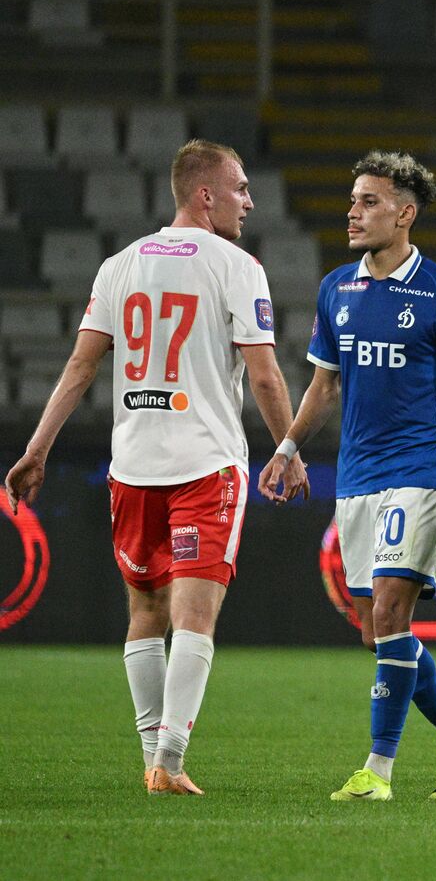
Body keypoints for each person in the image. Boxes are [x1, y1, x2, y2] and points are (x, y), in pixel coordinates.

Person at [4, 139, 307, 795]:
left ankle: (155, 759)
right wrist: (287, 446)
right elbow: (263, 376)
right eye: (241, 188)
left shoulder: (120, 265)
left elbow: (81, 366)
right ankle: (168, 762)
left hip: (133, 465)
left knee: (145, 608)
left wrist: (36, 447)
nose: (250, 202)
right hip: (205, 464)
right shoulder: (236, 266)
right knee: (194, 615)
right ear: (205, 195)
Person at [259, 150, 436, 802]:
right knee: (377, 632)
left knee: (392, 610)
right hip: (357, 476)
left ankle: (378, 770)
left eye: (368, 201)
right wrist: (286, 445)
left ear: (405, 212)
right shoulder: (338, 288)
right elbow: (323, 386)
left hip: (420, 469)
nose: (353, 212)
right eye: (352, 201)